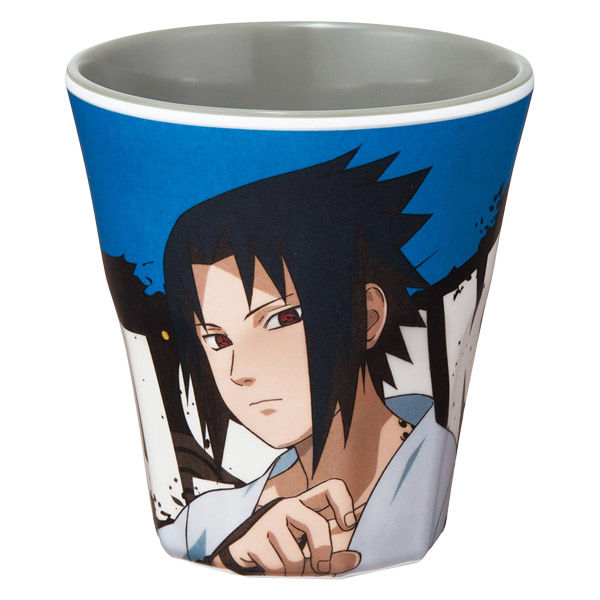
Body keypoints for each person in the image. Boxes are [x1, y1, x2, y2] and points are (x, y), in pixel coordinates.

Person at [157, 149, 457, 576]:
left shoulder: (429, 480)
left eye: (281, 318)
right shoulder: (204, 525)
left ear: (367, 316)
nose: (239, 370)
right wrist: (230, 559)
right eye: (218, 340)